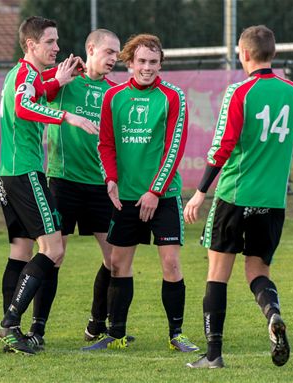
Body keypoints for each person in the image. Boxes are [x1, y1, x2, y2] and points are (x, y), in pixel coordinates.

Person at [184, 25, 293, 369]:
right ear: (272, 53)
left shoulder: (239, 92)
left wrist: (200, 193)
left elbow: (221, 147)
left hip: (234, 195)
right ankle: (272, 314)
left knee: (217, 273)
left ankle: (213, 355)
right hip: (273, 201)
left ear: (244, 54)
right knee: (258, 270)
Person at [83, 33, 199, 352]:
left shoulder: (173, 97)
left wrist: (155, 191)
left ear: (161, 63)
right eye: (141, 61)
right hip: (125, 198)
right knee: (118, 265)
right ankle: (116, 334)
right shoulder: (113, 97)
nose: (147, 68)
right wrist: (110, 180)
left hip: (162, 198)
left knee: (171, 265)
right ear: (130, 62)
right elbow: (105, 143)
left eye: (153, 62)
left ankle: (176, 335)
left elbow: (174, 148)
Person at [0, 15, 98, 355]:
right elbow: (24, 106)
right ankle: (10, 323)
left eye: (56, 41)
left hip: (12, 173)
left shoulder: (24, 75)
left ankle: (15, 330)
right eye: (50, 42)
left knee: (22, 251)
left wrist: (58, 81)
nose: (56, 47)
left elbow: (34, 93)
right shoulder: (25, 74)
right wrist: (68, 116)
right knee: (53, 250)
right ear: (31, 45)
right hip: (25, 173)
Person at [41, 29, 122, 343]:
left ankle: (96, 322)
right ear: (91, 48)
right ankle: (37, 328)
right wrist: (56, 80)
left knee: (114, 260)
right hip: (63, 182)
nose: (114, 59)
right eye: (108, 52)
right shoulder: (65, 81)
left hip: (100, 186)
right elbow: (33, 98)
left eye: (116, 54)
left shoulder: (115, 94)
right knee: (53, 256)